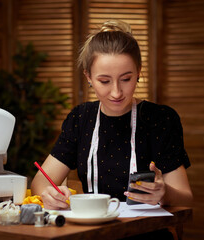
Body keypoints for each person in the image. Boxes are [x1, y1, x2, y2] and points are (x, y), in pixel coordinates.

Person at [31, 20, 193, 211]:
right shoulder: (81, 119)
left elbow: (186, 198)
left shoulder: (160, 119)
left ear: (139, 72)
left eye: (126, 79)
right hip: (92, 230)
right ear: (88, 77)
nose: (116, 92)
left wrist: (164, 193)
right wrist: (48, 194)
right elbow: (40, 181)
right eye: (104, 81)